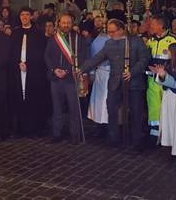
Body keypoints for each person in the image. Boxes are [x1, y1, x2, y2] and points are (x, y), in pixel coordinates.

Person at [81, 19, 149, 149]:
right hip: (115, 82)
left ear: (121, 30)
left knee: (135, 111)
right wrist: (81, 69)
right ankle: (113, 138)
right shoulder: (109, 43)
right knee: (111, 109)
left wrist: (133, 72)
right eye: (108, 31)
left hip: (134, 83)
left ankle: (137, 140)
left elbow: (144, 59)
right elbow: (97, 58)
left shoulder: (136, 41)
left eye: (112, 31)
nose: (110, 34)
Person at [44, 13, 89, 144]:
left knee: (73, 108)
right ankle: (57, 134)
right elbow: (47, 56)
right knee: (57, 108)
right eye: (63, 23)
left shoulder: (78, 38)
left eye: (68, 23)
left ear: (72, 23)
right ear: (59, 23)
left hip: (71, 79)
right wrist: (54, 70)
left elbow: (82, 57)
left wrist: (68, 71)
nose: (66, 25)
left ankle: (74, 135)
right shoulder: (54, 39)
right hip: (56, 79)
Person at [9, 7, 49, 137]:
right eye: (22, 15)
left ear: (31, 17)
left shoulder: (38, 33)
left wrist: (29, 65)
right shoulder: (15, 33)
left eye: (27, 14)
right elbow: (11, 52)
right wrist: (18, 64)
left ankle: (33, 129)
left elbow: (41, 54)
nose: (24, 17)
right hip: (18, 71)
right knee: (19, 99)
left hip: (33, 72)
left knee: (33, 100)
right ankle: (20, 129)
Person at [146, 15, 176, 139]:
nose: (149, 26)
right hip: (152, 79)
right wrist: (149, 67)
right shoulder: (150, 40)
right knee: (154, 105)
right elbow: (146, 58)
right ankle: (155, 133)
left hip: (168, 80)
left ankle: (170, 134)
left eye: (152, 24)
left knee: (169, 106)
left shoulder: (175, 40)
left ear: (160, 25)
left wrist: (165, 70)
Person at [86, 27, 110, 131]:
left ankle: (107, 124)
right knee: (99, 101)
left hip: (111, 73)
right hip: (101, 72)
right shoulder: (99, 40)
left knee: (107, 101)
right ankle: (99, 125)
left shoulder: (117, 39)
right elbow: (93, 57)